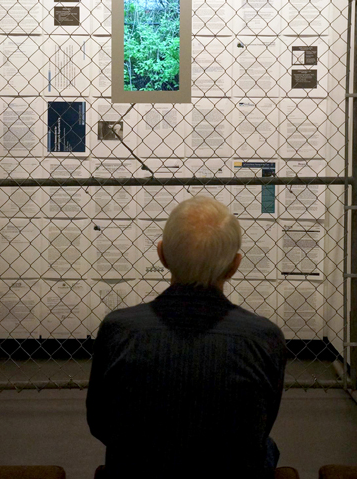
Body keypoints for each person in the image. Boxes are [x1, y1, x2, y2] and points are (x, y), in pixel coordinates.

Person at [86, 196, 287, 479]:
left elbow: (100, 423)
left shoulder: (119, 329)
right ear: (234, 266)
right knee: (267, 447)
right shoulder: (264, 337)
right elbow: (260, 425)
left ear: (162, 255)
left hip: (139, 469)